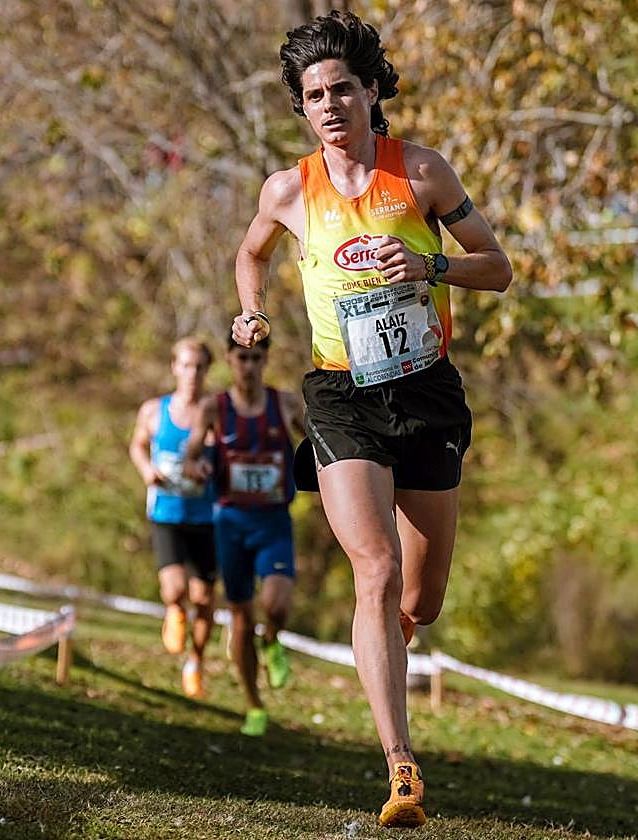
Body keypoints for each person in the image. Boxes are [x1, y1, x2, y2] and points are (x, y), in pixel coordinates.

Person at [230, 11, 511, 828]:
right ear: (302, 106)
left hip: (424, 393)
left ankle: (390, 641)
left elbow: (498, 268)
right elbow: (251, 253)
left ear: (371, 91)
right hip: (340, 395)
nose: (329, 106)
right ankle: (401, 766)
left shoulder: (421, 173)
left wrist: (430, 264)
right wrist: (251, 313)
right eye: (314, 95)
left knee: (419, 599)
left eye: (342, 89)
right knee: (376, 571)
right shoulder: (287, 191)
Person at [183, 337, 304, 737]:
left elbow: (317, 445)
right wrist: (197, 467)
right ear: (230, 360)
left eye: (256, 357)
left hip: (273, 521)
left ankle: (272, 640)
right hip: (231, 523)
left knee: (276, 605)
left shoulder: (285, 404)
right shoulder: (213, 407)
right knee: (241, 618)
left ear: (265, 359)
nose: (249, 365)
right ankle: (254, 705)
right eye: (242, 358)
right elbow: (191, 456)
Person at [129, 337, 219, 698]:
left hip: (206, 517)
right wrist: (146, 469)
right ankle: (173, 610)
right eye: (185, 365)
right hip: (166, 512)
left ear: (207, 370)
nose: (192, 373)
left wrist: (209, 468)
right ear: (174, 367)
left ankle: (195, 662)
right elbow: (137, 444)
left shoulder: (215, 413)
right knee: (176, 589)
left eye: (199, 366)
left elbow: (228, 456)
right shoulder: (154, 410)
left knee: (204, 598)